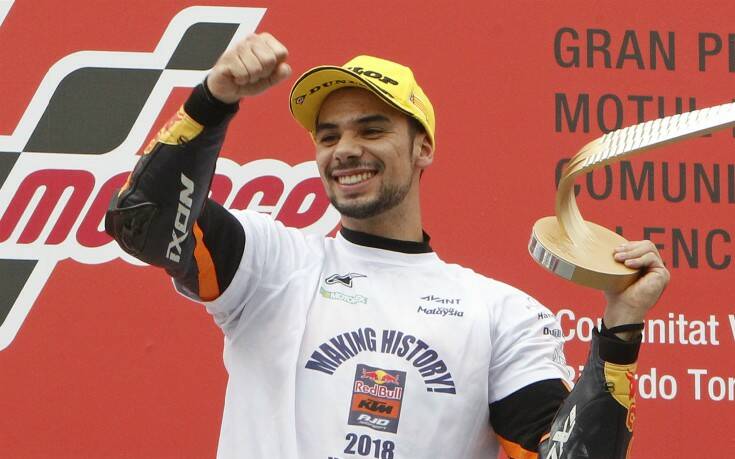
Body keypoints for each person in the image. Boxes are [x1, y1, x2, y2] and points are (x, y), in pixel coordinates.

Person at [105, 33, 669, 459]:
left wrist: (620, 331)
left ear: (423, 148)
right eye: (329, 136)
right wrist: (213, 99)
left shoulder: (500, 313)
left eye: (371, 130)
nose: (345, 149)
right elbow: (142, 221)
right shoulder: (269, 262)